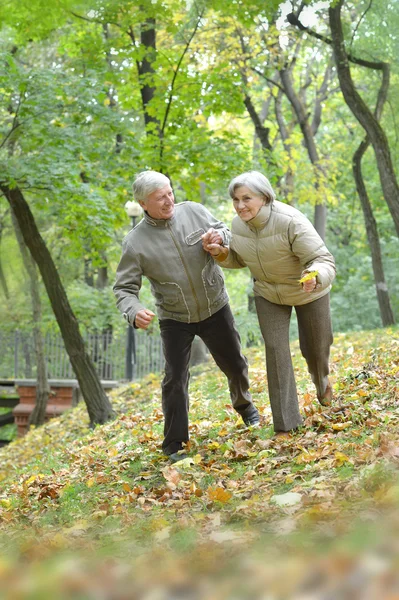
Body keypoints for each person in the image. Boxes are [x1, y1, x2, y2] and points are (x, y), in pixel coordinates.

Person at [113, 170, 259, 462]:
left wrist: (221, 237)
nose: (169, 200)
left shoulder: (193, 211)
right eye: (159, 198)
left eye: (169, 192)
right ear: (143, 203)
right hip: (174, 317)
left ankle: (246, 408)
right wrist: (134, 310)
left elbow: (229, 232)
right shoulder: (136, 242)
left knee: (235, 364)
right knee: (175, 379)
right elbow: (124, 289)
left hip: (215, 306)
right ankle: (175, 444)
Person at [202, 171, 336, 435]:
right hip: (268, 293)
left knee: (316, 349)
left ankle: (322, 384)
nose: (240, 205)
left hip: (307, 289)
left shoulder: (290, 221)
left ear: (264, 198)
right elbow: (240, 259)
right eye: (235, 199)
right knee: (275, 350)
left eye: (246, 198)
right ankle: (287, 424)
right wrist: (221, 253)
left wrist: (316, 277)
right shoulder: (238, 225)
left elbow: (323, 258)